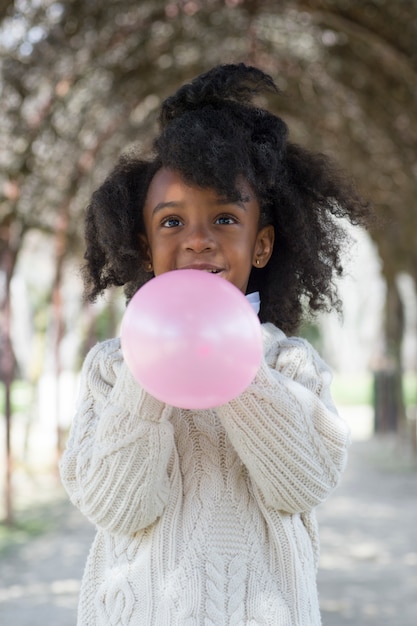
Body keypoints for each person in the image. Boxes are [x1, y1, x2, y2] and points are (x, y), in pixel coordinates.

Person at [59, 63, 370, 625]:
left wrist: (233, 362)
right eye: (172, 223)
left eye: (225, 218)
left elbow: (300, 484)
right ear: (145, 245)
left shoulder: (290, 364)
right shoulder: (113, 369)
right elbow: (116, 506)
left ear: (262, 246)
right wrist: (149, 373)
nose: (198, 239)